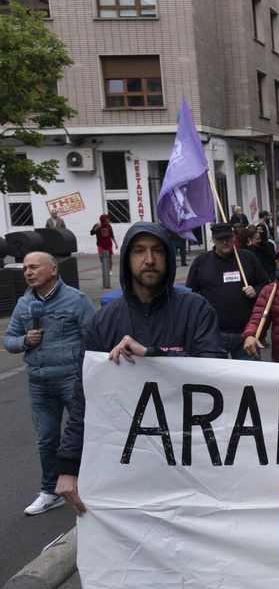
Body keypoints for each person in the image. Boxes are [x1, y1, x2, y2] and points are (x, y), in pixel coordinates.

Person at [56, 221, 225, 515]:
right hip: (127, 462)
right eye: (139, 251)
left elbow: (213, 374)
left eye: (158, 251)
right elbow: (84, 398)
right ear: (127, 260)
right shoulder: (103, 321)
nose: (149, 260)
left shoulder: (196, 309)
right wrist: (69, 467)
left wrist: (152, 355)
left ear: (169, 257)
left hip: (191, 459)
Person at [4, 252, 95, 515]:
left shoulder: (77, 300)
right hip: (39, 382)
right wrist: (24, 341)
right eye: (25, 269)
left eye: (34, 267)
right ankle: (49, 491)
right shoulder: (24, 305)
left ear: (53, 269)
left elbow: (93, 338)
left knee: (85, 435)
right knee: (46, 439)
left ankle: (91, 485)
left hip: (72, 380)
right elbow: (8, 340)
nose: (28, 272)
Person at [186, 223, 271, 359]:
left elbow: (266, 284)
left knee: (249, 378)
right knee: (216, 378)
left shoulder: (247, 257)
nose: (225, 242)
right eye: (220, 239)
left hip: (246, 333)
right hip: (214, 334)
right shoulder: (201, 262)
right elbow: (190, 295)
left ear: (233, 237)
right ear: (213, 240)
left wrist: (256, 290)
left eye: (228, 238)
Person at [90, 214, 115, 289]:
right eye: (107, 218)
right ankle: (105, 266)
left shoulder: (109, 226)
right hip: (100, 244)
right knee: (101, 256)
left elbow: (112, 235)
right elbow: (91, 233)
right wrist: (96, 228)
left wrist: (115, 243)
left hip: (108, 244)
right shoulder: (97, 225)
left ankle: (109, 270)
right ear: (104, 219)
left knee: (110, 257)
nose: (108, 220)